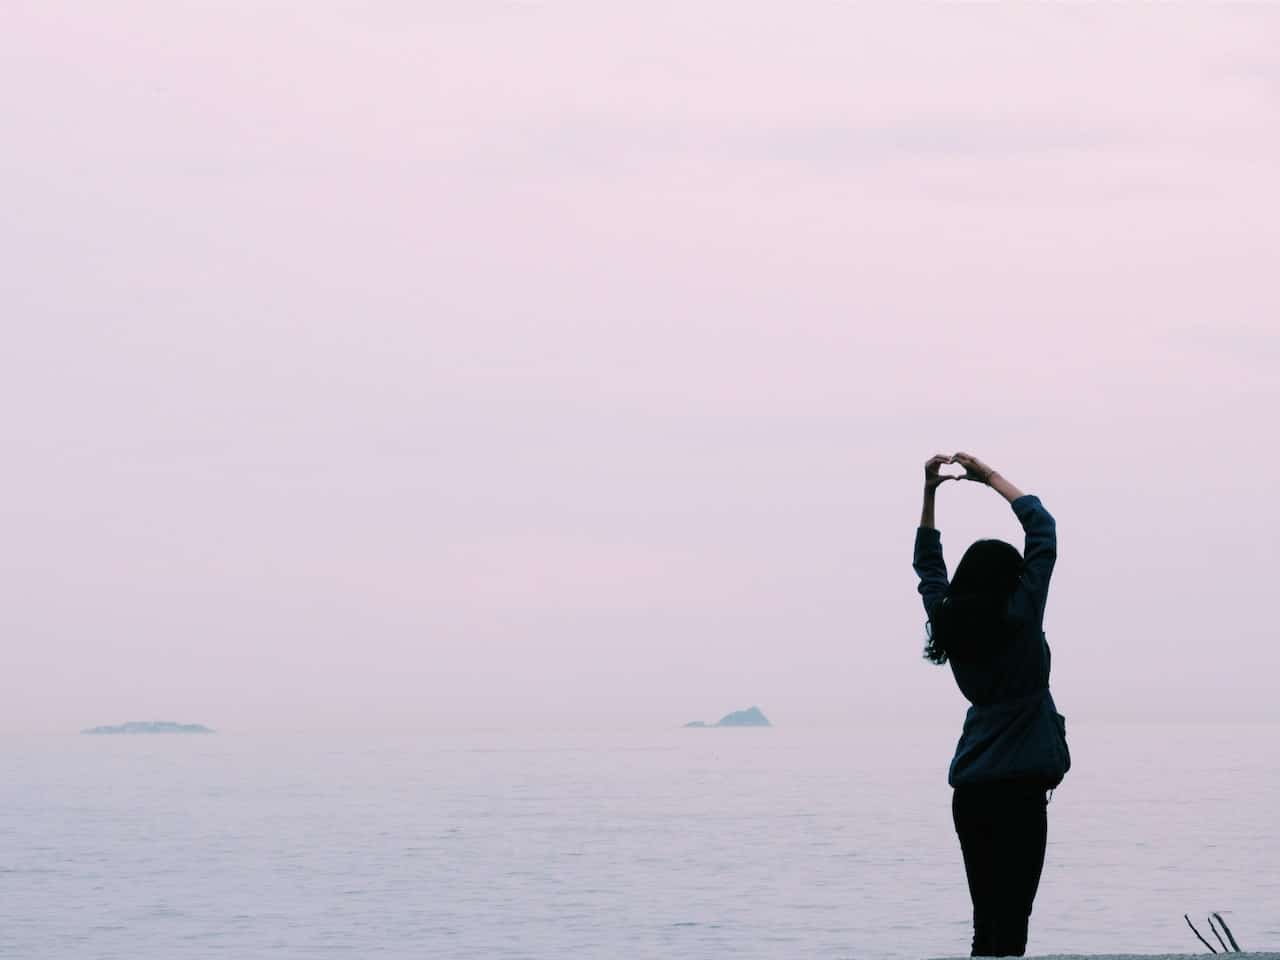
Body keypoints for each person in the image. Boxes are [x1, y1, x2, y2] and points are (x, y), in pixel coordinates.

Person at [913, 452, 1071, 958]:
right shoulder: (1021, 616)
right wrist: (991, 479)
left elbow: (928, 567)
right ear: (1011, 580)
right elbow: (1043, 531)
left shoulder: (949, 620)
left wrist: (929, 492)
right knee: (1013, 923)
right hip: (1021, 793)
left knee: (986, 924)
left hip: (973, 792)